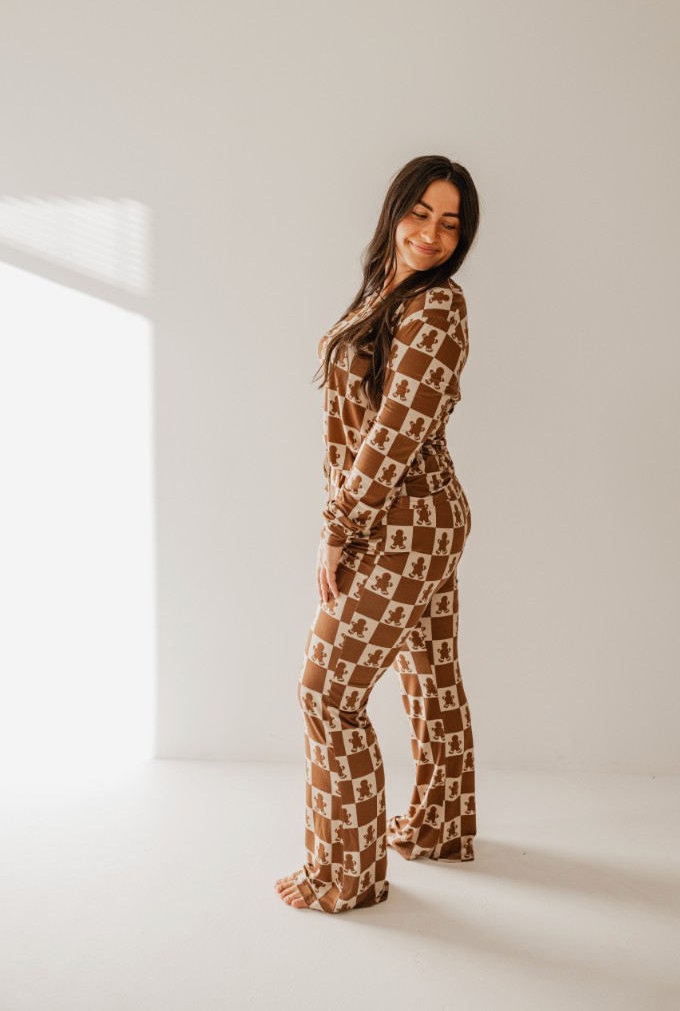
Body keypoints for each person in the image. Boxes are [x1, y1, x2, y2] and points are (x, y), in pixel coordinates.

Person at [275, 155, 480, 913]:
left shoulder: (436, 308)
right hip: (419, 517)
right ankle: (439, 826)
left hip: (405, 525)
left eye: (449, 223)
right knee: (428, 675)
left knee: (326, 692)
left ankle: (346, 873)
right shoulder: (384, 295)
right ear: (396, 209)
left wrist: (339, 530)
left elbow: (394, 435)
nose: (431, 233)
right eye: (420, 213)